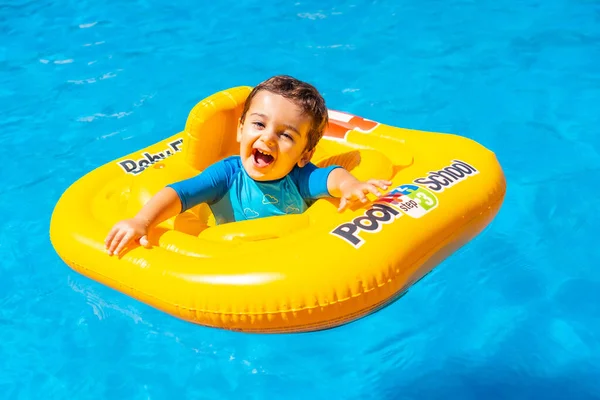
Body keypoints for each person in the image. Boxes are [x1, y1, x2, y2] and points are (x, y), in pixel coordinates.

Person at [105, 75, 391, 256]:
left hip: (290, 254)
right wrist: (141, 221)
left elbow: (332, 176)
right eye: (258, 124)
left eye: (286, 135)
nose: (268, 137)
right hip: (230, 255)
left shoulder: (300, 176)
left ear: (305, 153)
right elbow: (180, 194)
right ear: (241, 131)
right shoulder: (226, 176)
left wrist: (351, 186)